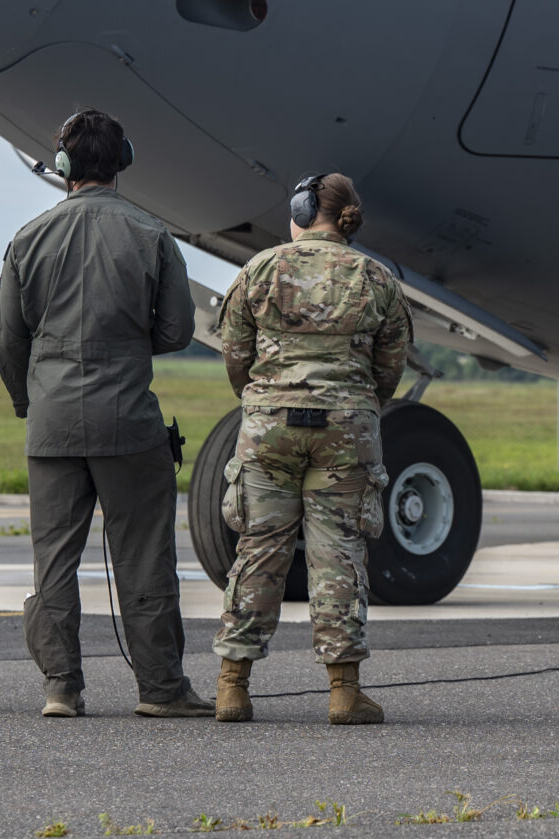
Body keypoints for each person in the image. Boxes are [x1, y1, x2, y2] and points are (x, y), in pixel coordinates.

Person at [0, 109, 210, 719]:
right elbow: (176, 330)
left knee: (53, 559)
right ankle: (161, 688)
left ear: (61, 166)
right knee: (143, 556)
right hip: (129, 421)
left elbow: (8, 337)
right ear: (123, 162)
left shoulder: (27, 237)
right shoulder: (151, 234)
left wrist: (27, 403)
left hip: (51, 423)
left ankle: (61, 686)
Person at [211, 172, 411, 725]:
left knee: (258, 550)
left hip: (270, 427)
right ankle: (344, 692)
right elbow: (390, 367)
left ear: (300, 208)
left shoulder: (261, 268)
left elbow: (234, 354)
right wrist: (355, 402)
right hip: (345, 431)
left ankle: (233, 686)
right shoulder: (376, 277)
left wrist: (264, 400)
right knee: (340, 554)